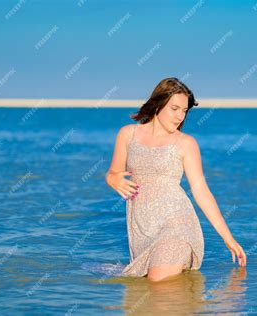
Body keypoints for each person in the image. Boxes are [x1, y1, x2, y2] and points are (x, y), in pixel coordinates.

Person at [105, 77, 246, 282]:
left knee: (158, 283)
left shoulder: (186, 143)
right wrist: (113, 180)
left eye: (184, 111)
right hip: (142, 230)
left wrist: (228, 237)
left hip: (178, 225)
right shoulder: (128, 134)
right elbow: (113, 173)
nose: (180, 116)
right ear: (158, 104)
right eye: (175, 108)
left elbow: (201, 191)